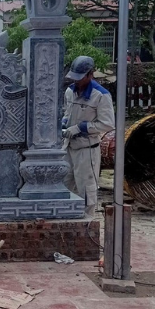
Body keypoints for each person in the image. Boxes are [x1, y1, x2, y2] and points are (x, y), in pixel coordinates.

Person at [62, 56, 115, 217]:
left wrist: (81, 128)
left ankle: (88, 223)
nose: (76, 81)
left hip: (87, 150)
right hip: (68, 147)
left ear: (90, 74)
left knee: (86, 191)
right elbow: (67, 113)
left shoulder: (101, 95)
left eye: (80, 77)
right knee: (63, 187)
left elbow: (107, 124)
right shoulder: (70, 91)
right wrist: (64, 123)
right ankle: (66, 221)